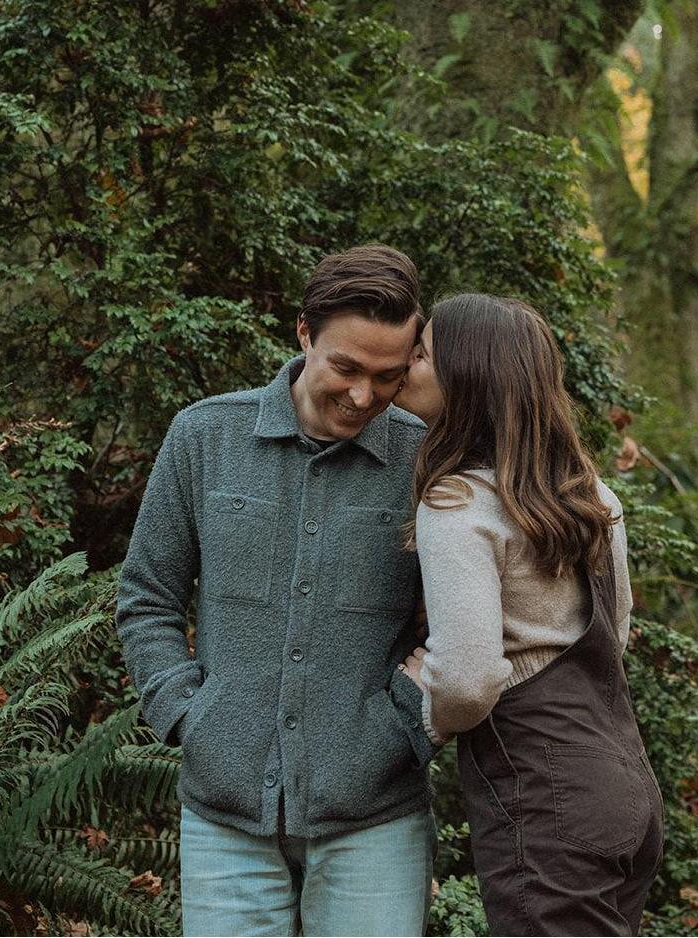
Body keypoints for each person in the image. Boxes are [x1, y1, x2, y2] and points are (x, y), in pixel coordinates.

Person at [115, 244, 436, 937]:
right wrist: (189, 717)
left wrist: (403, 722)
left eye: (385, 377)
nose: (361, 396)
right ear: (303, 335)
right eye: (345, 368)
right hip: (224, 814)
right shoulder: (205, 437)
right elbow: (147, 596)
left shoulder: (426, 458)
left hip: (376, 818)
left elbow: (461, 621)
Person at [395, 293, 663, 937]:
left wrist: (421, 702)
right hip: (622, 784)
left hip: (545, 801)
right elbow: (612, 635)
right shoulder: (595, 497)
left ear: (469, 376)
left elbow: (469, 679)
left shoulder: (458, 502)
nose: (407, 362)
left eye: (424, 352)